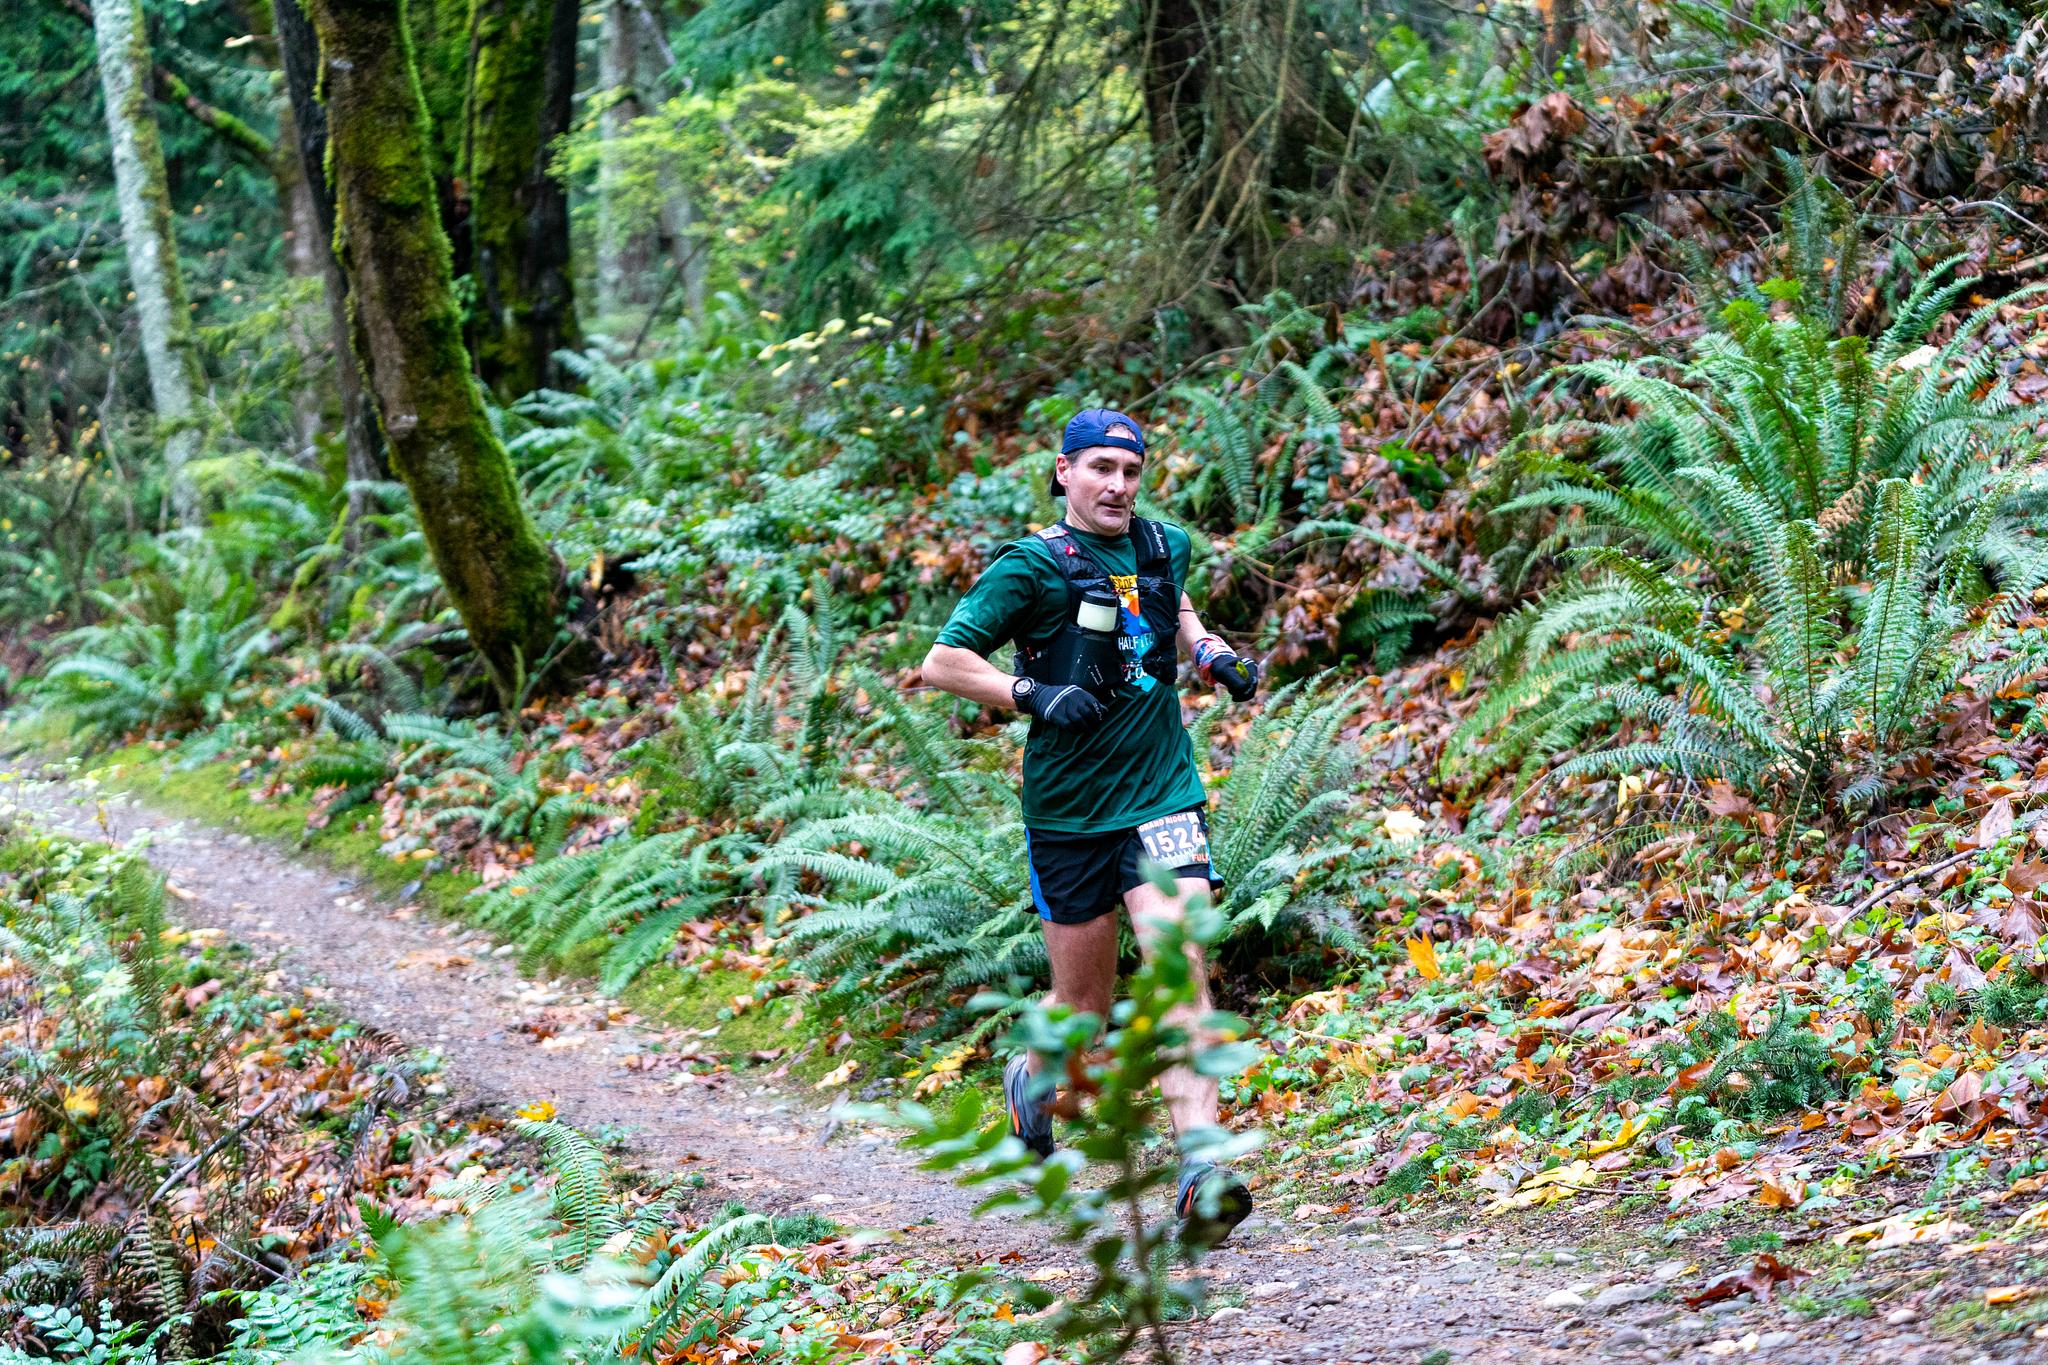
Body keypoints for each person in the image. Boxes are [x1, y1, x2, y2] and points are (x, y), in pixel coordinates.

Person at [921, 406, 1262, 1248]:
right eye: (1099, 468)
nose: (1116, 485)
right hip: (1070, 817)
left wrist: (1207, 645)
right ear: (1064, 471)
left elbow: (1170, 603)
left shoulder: (1161, 544)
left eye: (1130, 470)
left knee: (1181, 970)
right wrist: (1030, 695)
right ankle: (1030, 1087)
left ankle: (1202, 1169)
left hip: (1163, 798)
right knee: (1083, 1009)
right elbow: (942, 663)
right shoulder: (1030, 567)